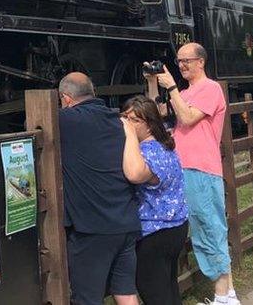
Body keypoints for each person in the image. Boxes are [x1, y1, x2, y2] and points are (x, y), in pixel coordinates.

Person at [149, 43, 239, 305]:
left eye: (187, 60)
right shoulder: (187, 92)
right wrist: (154, 83)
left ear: (201, 62)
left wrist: (172, 88)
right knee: (202, 228)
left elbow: (187, 119)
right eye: (179, 62)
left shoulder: (210, 89)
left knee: (209, 227)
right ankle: (228, 295)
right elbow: (159, 115)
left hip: (201, 168)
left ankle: (223, 296)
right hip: (184, 167)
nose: (182, 65)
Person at [58, 72, 141, 305]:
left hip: (93, 228)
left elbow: (35, 125)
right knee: (126, 292)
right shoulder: (118, 120)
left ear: (65, 99)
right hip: (125, 222)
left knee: (87, 298)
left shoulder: (66, 121)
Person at [120, 95, 189, 305]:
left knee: (155, 293)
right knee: (168, 289)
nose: (128, 124)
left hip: (155, 233)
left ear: (149, 124)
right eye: (125, 118)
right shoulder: (164, 145)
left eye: (134, 120)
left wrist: (129, 135)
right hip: (176, 227)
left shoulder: (148, 152)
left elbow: (134, 174)